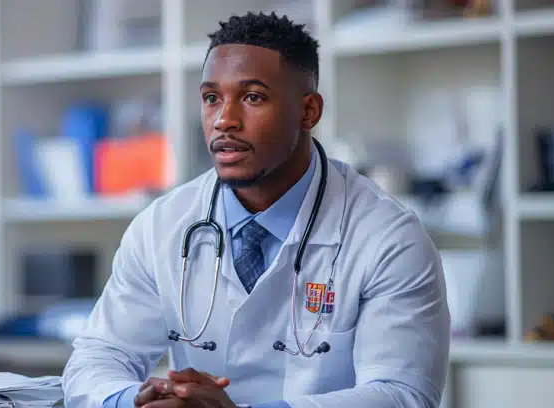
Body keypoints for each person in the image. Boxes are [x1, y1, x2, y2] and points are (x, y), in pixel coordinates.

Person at [61, 12, 450, 408]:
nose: (224, 120)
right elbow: (96, 360)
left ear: (309, 111)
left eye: (253, 97)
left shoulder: (389, 238)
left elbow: (402, 394)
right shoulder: (161, 227)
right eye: (212, 98)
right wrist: (136, 400)